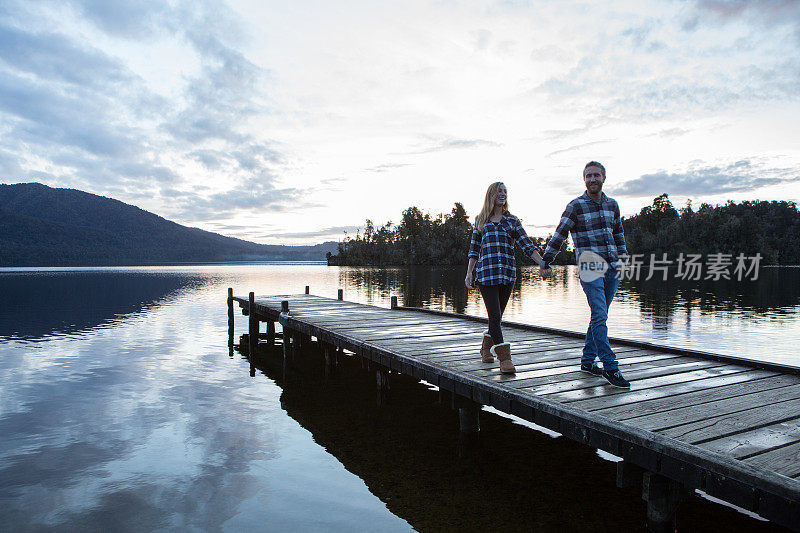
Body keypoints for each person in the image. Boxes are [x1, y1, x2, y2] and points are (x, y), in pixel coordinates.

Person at [539, 161, 631, 388]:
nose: (592, 179)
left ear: (603, 178)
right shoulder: (575, 206)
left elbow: (618, 233)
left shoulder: (612, 205)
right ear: (584, 179)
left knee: (600, 315)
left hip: (612, 268)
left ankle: (588, 361)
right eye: (588, 176)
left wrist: (624, 256)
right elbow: (560, 235)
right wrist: (545, 261)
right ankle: (611, 367)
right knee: (600, 315)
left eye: (596, 175)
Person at [466, 182, 544, 374]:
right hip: (486, 275)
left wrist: (542, 263)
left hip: (507, 274)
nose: (503, 194)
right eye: (499, 191)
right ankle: (505, 359)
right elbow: (474, 250)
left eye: (505, 192)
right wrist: (469, 272)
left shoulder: (512, 221)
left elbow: (527, 245)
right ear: (491, 194)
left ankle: (485, 348)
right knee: (494, 316)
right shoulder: (480, 221)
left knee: (497, 318)